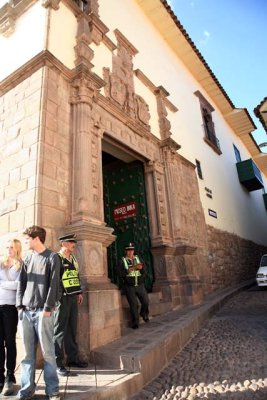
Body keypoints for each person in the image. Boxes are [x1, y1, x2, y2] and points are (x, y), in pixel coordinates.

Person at [16, 226, 61, 400]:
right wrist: (20, 306)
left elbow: (54, 284)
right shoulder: (28, 258)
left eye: (28, 239)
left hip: (44, 312)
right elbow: (22, 283)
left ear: (36, 239)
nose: (26, 242)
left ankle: (53, 390)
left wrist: (48, 308)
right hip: (26, 312)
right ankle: (27, 390)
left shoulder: (52, 257)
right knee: (27, 355)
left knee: (48, 353)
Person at [54, 234, 87, 376]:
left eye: (74, 241)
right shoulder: (56, 258)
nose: (74, 244)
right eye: (72, 242)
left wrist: (79, 292)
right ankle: (58, 363)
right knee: (59, 331)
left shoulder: (73, 258)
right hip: (62, 299)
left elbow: (76, 276)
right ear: (64, 243)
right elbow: (53, 280)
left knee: (72, 328)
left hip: (73, 297)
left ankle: (72, 359)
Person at [0, 239, 22, 396]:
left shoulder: (20, 265)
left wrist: (4, 284)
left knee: (10, 342)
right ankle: (0, 376)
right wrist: (10, 283)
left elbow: (19, 285)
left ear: (17, 249)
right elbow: (12, 284)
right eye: (7, 247)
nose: (9, 250)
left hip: (10, 308)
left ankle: (9, 377)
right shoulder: (1, 263)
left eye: (12, 247)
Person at [117, 242, 149, 329]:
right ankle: (135, 322)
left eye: (131, 250)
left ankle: (144, 313)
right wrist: (131, 269)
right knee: (134, 304)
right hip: (129, 286)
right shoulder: (122, 261)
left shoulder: (139, 259)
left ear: (133, 251)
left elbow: (145, 271)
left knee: (146, 301)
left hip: (139, 285)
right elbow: (120, 273)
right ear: (125, 251)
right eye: (128, 250)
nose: (130, 252)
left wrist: (142, 275)